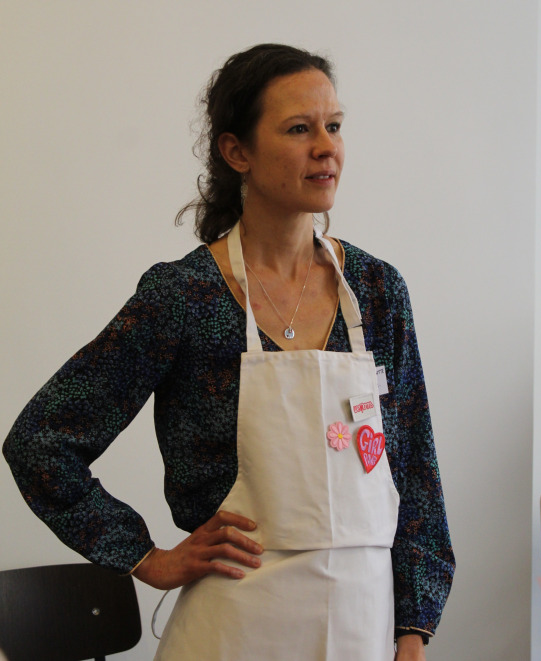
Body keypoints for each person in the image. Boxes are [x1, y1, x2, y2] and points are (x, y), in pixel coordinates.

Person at [3, 44, 454, 660]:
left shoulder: (377, 292)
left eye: (334, 125)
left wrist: (413, 632)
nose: (327, 147)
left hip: (363, 630)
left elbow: (417, 476)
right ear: (237, 152)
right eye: (299, 129)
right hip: (234, 629)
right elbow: (40, 441)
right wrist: (145, 557)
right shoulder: (184, 296)